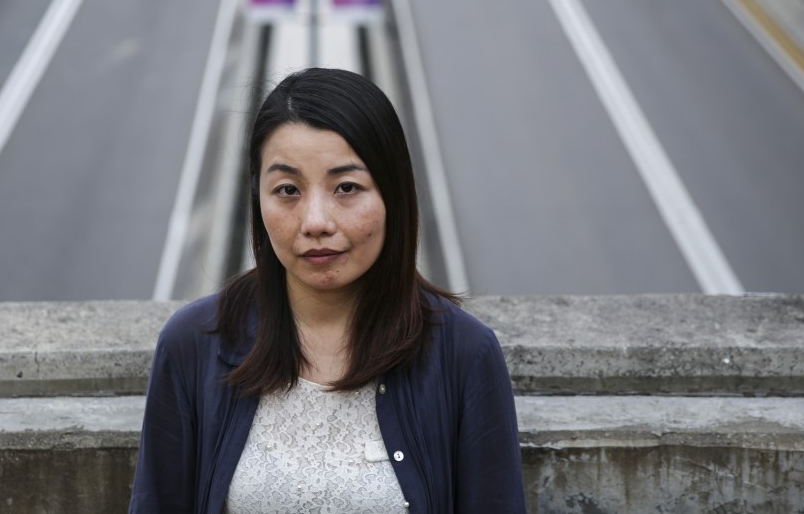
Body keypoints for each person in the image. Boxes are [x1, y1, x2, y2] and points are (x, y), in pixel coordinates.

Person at [129, 68, 526, 513]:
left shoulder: (463, 354)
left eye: (346, 188)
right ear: (257, 199)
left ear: (393, 194)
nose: (316, 221)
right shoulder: (195, 343)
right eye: (287, 190)